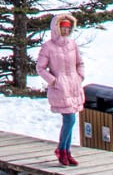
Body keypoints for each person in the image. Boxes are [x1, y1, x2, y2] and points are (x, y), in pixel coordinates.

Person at [35, 13, 85, 166]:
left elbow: (80, 62)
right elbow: (40, 67)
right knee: (70, 119)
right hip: (60, 87)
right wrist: (54, 81)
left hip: (74, 86)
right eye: (62, 28)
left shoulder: (72, 44)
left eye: (68, 28)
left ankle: (66, 151)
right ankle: (61, 149)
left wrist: (80, 76)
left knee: (69, 120)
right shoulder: (48, 46)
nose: (65, 31)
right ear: (56, 28)